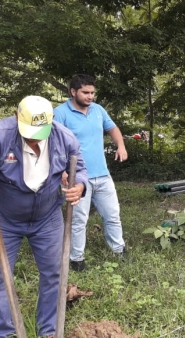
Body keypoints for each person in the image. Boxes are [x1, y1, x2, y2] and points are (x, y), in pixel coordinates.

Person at [0, 96, 87, 337]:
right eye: (30, 131)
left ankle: (48, 330)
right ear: (16, 116)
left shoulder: (65, 138)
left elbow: (79, 168)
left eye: (42, 131)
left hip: (48, 217)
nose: (36, 137)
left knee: (55, 272)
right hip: (4, 218)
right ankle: (1, 332)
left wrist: (79, 184)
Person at [53, 74, 127, 272]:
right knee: (78, 219)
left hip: (102, 174)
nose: (90, 97)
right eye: (85, 92)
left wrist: (120, 145)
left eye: (92, 93)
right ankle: (77, 259)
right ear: (73, 92)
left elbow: (112, 128)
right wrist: (61, 170)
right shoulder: (60, 113)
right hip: (75, 177)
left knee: (112, 215)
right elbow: (53, 144)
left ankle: (119, 250)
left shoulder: (98, 110)